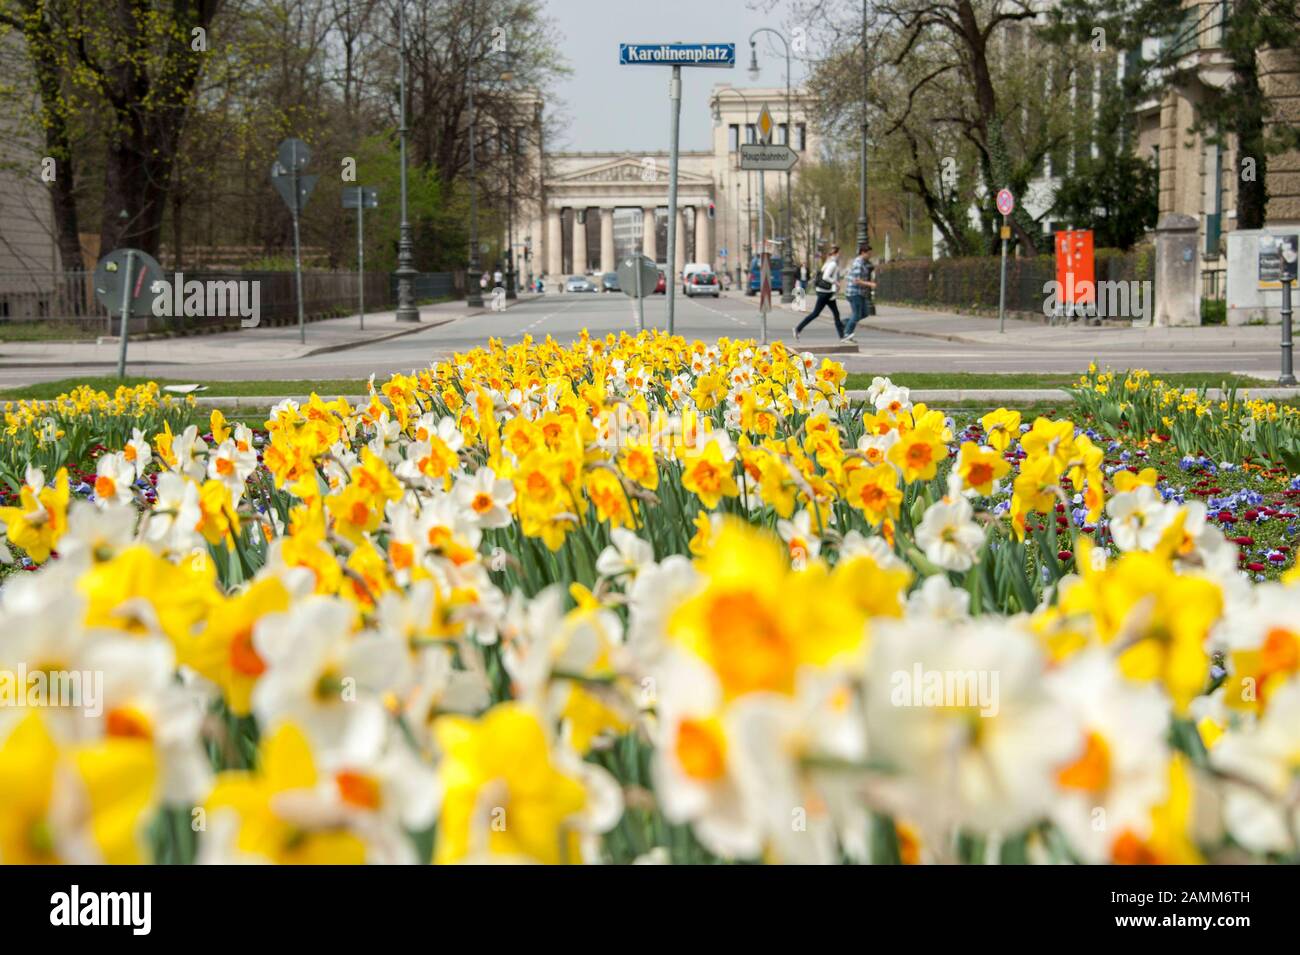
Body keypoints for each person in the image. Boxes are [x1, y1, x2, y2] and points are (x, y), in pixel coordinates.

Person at [793, 246, 843, 341]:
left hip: (826, 292)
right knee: (816, 313)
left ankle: (842, 336)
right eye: (839, 253)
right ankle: (797, 329)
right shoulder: (832, 264)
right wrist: (836, 283)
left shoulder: (828, 262)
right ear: (836, 253)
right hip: (825, 293)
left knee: (835, 314)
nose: (840, 255)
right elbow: (825, 277)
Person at [841, 244, 878, 343]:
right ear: (863, 252)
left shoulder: (864, 262)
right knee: (856, 315)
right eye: (868, 253)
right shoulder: (858, 263)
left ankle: (844, 323)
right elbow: (856, 281)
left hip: (860, 292)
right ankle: (847, 335)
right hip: (854, 292)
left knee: (865, 313)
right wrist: (870, 284)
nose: (870, 255)